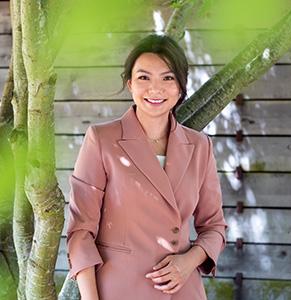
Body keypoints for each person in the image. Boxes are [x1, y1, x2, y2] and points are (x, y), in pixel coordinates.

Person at [66, 34, 227, 300]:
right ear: (130, 84)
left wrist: (188, 262)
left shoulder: (200, 146)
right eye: (144, 77)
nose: (155, 89)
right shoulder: (102, 139)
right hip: (119, 290)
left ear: (180, 87)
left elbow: (214, 227)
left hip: (183, 290)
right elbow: (81, 232)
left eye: (167, 78)